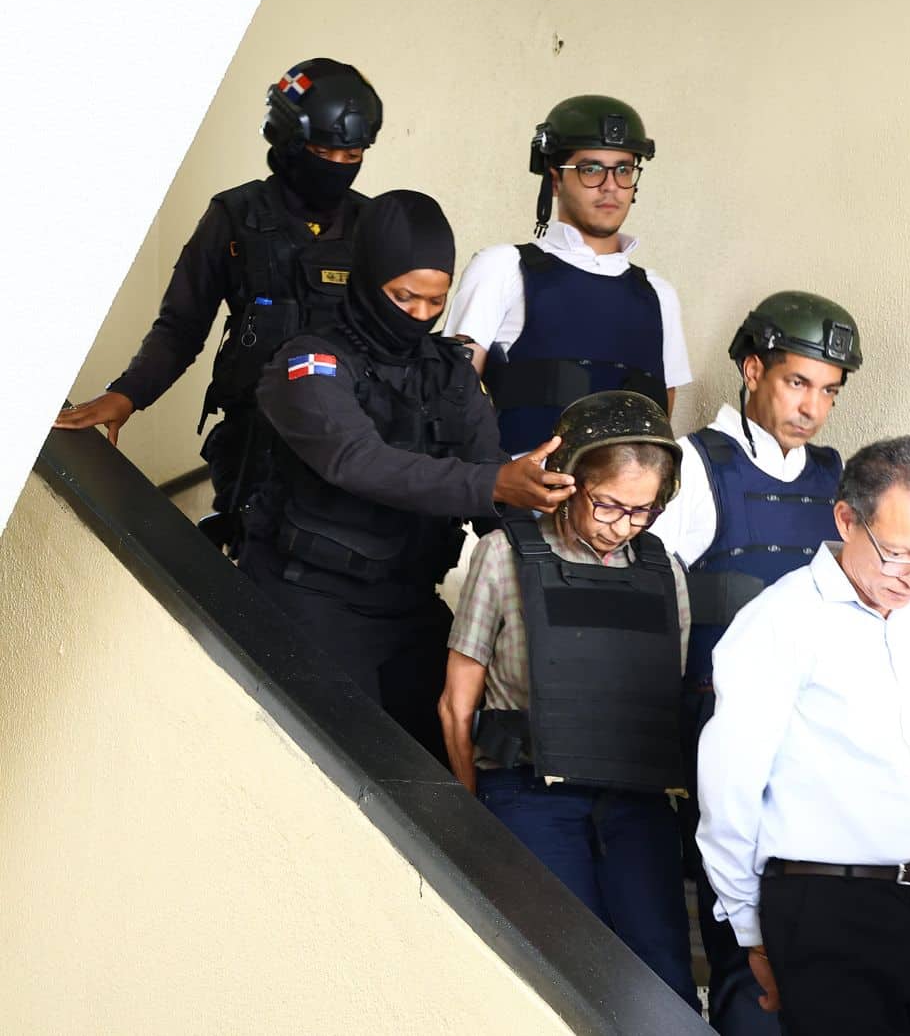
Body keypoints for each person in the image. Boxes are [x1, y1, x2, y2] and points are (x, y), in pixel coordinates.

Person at [240, 190, 567, 764]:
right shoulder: (309, 361)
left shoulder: (448, 372)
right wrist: (492, 485)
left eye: (436, 301)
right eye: (404, 297)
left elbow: (492, 482)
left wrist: (566, 524)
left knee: (445, 761)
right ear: (368, 278)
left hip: (409, 605)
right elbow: (355, 460)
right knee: (337, 765)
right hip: (310, 601)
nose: (419, 315)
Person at [696, 436, 910, 1036]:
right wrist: (749, 929)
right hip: (823, 903)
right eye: (897, 554)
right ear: (846, 519)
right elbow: (729, 787)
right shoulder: (780, 620)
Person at [438, 390, 699, 1011]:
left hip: (634, 799)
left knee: (663, 977)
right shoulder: (505, 555)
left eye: (642, 511)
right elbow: (456, 705)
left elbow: (665, 694)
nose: (622, 527)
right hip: (528, 793)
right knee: (558, 972)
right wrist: (474, 815)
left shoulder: (664, 570)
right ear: (568, 483)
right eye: (607, 504)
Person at [55, 58, 383, 550]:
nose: (338, 165)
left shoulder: (377, 226)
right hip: (256, 445)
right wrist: (127, 394)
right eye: (323, 151)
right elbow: (180, 327)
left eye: (353, 154)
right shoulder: (235, 217)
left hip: (353, 445)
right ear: (287, 140)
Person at [650, 290, 864, 1036]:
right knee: (742, 944)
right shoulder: (693, 464)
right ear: (751, 370)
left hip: (815, 740)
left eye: (829, 391)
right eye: (798, 382)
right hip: (722, 733)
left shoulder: (836, 479)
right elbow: (645, 598)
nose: (812, 407)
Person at [441, 94, 691, 456]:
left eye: (623, 170)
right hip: (518, 489)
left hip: (622, 492)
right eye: (591, 169)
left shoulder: (658, 293)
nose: (610, 186)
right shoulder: (502, 268)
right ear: (555, 179)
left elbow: (659, 422)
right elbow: (452, 403)